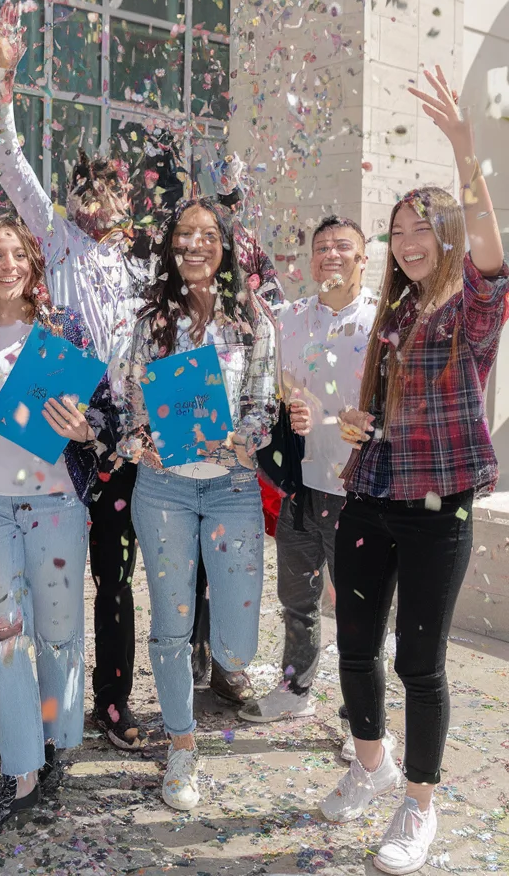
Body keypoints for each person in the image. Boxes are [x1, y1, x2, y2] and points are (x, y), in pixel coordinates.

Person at [321, 67, 508, 875]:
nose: (404, 241)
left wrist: (468, 157)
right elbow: (386, 411)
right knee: (355, 647)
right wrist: (357, 423)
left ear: (445, 233)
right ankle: (372, 767)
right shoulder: (393, 313)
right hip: (371, 494)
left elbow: (495, 264)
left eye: (417, 228)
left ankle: (419, 804)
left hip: (440, 509)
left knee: (419, 663)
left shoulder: (469, 306)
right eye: (395, 230)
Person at [0, 0, 151, 749]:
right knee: (38, 590)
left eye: (106, 187)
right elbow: (9, 165)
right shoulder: (52, 240)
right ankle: (28, 713)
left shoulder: (144, 271)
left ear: (124, 199)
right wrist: (5, 88)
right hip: (49, 434)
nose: (93, 196)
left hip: (116, 440)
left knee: (113, 584)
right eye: (81, 184)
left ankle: (108, 705)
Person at [0, 217, 106, 842]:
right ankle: (22, 772)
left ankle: (59, 742)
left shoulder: (64, 330)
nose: (6, 265)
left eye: (18, 254)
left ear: (32, 264)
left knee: (61, 635)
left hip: (56, 505)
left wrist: (83, 427)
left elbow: (106, 413)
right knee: (5, 636)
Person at [119, 197, 277, 811]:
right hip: (165, 492)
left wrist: (243, 438)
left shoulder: (251, 319)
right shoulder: (150, 321)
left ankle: (230, 665)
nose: (194, 244)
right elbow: (131, 407)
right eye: (184, 234)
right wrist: (142, 445)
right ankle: (181, 748)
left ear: (224, 247)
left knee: (236, 641)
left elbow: (264, 404)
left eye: (207, 235)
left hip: (233, 487)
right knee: (170, 626)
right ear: (171, 246)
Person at [240, 217, 377, 738]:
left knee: (358, 613)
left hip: (359, 493)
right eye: (321, 248)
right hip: (300, 488)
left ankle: (359, 716)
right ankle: (296, 689)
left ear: (363, 258)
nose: (331, 255)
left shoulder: (379, 322)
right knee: (297, 600)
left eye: (344, 246)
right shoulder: (290, 319)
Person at [189, 153, 283, 704]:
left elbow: (269, 316)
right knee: (191, 557)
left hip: (236, 423)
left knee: (228, 559)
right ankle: (200, 651)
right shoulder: (186, 242)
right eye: (221, 190)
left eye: (234, 192)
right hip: (186, 426)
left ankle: (226, 660)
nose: (228, 198)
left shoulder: (254, 256)